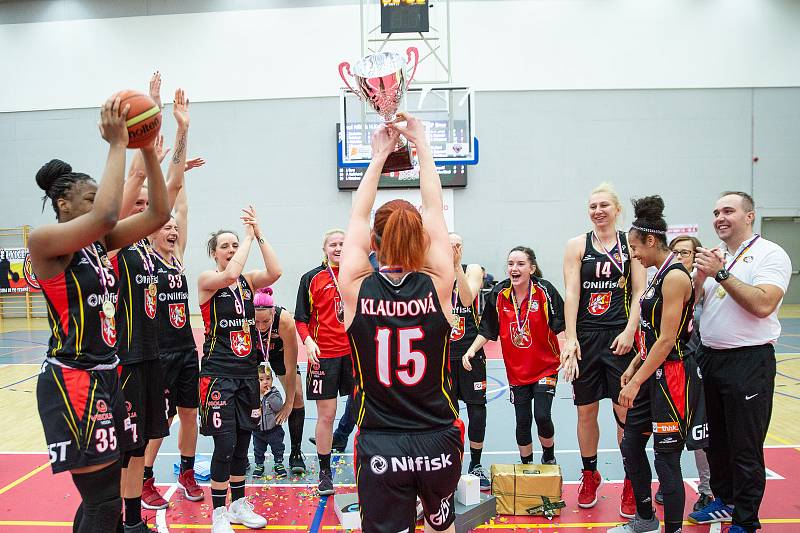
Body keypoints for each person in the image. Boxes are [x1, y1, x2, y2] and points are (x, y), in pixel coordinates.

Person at [30, 95, 170, 532]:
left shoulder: (97, 245)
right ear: (65, 206)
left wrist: (146, 149)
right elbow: (110, 212)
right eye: (89, 197)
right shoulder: (44, 241)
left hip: (106, 374)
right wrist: (117, 144)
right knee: (104, 503)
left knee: (102, 500)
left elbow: (159, 214)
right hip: (73, 379)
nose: (100, 203)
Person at [339, 114, 463, 532]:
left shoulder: (356, 287)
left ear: (374, 242)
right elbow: (433, 208)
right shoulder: (440, 283)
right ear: (424, 240)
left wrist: (377, 158)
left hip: (381, 443)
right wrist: (422, 145)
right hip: (438, 440)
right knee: (440, 527)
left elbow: (356, 220)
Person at [109, 88, 191, 531]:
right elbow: (131, 189)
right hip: (124, 357)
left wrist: (181, 129)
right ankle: (117, 517)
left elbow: (171, 186)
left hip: (153, 356)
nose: (145, 210)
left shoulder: (152, 251)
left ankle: (132, 518)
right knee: (125, 447)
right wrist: (143, 137)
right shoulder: (118, 245)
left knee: (141, 444)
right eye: (137, 207)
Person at [688, 191, 792, 533]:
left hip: (749, 360)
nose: (720, 217)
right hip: (711, 358)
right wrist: (700, 279)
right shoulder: (719, 257)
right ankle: (726, 500)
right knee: (716, 440)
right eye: (716, 211)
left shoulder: (770, 255)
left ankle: (746, 520)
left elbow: (763, 304)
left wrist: (719, 274)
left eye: (728, 211)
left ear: (749, 216)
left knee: (744, 445)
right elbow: (692, 309)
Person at [608, 196, 705, 533]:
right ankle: (646, 518)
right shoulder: (656, 274)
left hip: (672, 378)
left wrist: (636, 381)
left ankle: (672, 528)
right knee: (630, 445)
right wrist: (634, 365)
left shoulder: (675, 277)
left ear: (651, 241)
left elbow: (667, 340)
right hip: (651, 372)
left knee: (666, 460)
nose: (634, 254)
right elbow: (649, 336)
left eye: (635, 247)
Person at [139, 88, 207, 509]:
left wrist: (184, 133)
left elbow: (179, 201)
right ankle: (145, 479)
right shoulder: (143, 253)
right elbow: (164, 198)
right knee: (157, 423)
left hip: (184, 350)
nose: (171, 229)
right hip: (155, 351)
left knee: (189, 416)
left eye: (173, 228)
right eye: (162, 226)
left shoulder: (177, 258)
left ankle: (185, 473)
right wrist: (159, 117)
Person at [561, 183, 646, 517]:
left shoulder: (631, 243)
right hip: (585, 337)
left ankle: (631, 479)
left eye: (603, 205)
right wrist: (570, 338)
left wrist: (630, 330)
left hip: (619, 337)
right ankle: (589, 473)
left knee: (624, 412)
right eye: (592, 206)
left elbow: (640, 290)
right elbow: (572, 292)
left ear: (617, 209)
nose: (597, 211)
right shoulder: (576, 245)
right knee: (585, 411)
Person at [198, 210, 282, 533]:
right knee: (225, 443)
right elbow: (230, 275)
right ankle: (218, 512)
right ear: (214, 253)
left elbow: (275, 271)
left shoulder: (247, 283)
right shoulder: (209, 280)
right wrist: (246, 237)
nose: (232, 250)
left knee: (243, 441)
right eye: (225, 246)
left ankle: (237, 505)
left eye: (235, 244)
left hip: (247, 374)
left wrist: (258, 234)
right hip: (218, 374)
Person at [463, 247, 563, 466]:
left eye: (520, 264)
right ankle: (526, 466)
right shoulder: (498, 294)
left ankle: (548, 457)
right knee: (523, 420)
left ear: (532, 268)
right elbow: (488, 329)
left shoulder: (545, 291)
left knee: (543, 416)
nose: (514, 269)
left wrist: (571, 349)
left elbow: (563, 324)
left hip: (545, 367)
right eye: (510, 264)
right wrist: (471, 349)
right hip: (517, 372)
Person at [653, 235, 713, 511]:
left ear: (696, 255)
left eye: (686, 252)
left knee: (700, 435)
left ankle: (707, 490)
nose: (680, 256)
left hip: (698, 364)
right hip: (671, 368)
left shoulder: (701, 285)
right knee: (669, 433)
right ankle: (669, 483)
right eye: (675, 251)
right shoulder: (664, 283)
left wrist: (701, 277)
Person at [294, 229, 354, 495]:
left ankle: (370, 465)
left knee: (365, 410)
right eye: (333, 244)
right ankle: (325, 472)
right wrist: (307, 341)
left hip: (353, 355)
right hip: (325, 356)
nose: (338, 248)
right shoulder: (311, 278)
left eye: (343, 243)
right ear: (324, 249)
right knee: (326, 415)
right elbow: (301, 318)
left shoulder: (357, 276)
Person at [446, 233, 489, 488]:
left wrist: (454, 266)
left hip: (469, 352)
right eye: (449, 244)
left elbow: (466, 299)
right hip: (444, 356)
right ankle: (451, 460)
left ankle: (476, 463)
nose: (454, 248)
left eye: (458, 244)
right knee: (446, 412)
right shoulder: (431, 270)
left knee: (476, 409)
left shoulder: (470, 268)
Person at [252, 287, 303, 473]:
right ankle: (239, 453)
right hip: (255, 351)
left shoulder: (285, 321)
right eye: (256, 322)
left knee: (297, 395)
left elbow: (290, 367)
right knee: (240, 394)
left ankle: (296, 453)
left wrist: (288, 402)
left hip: (279, 352)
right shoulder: (247, 319)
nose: (261, 326)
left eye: (265, 321)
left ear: (273, 312)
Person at [253, 365, 287, 478]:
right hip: (258, 430)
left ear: (272, 380)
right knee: (258, 448)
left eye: (268, 379)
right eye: (261, 379)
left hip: (274, 429)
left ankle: (278, 463)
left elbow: (278, 407)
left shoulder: (274, 393)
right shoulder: (253, 394)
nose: (265, 382)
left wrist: (269, 395)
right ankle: (259, 465)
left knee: (278, 447)